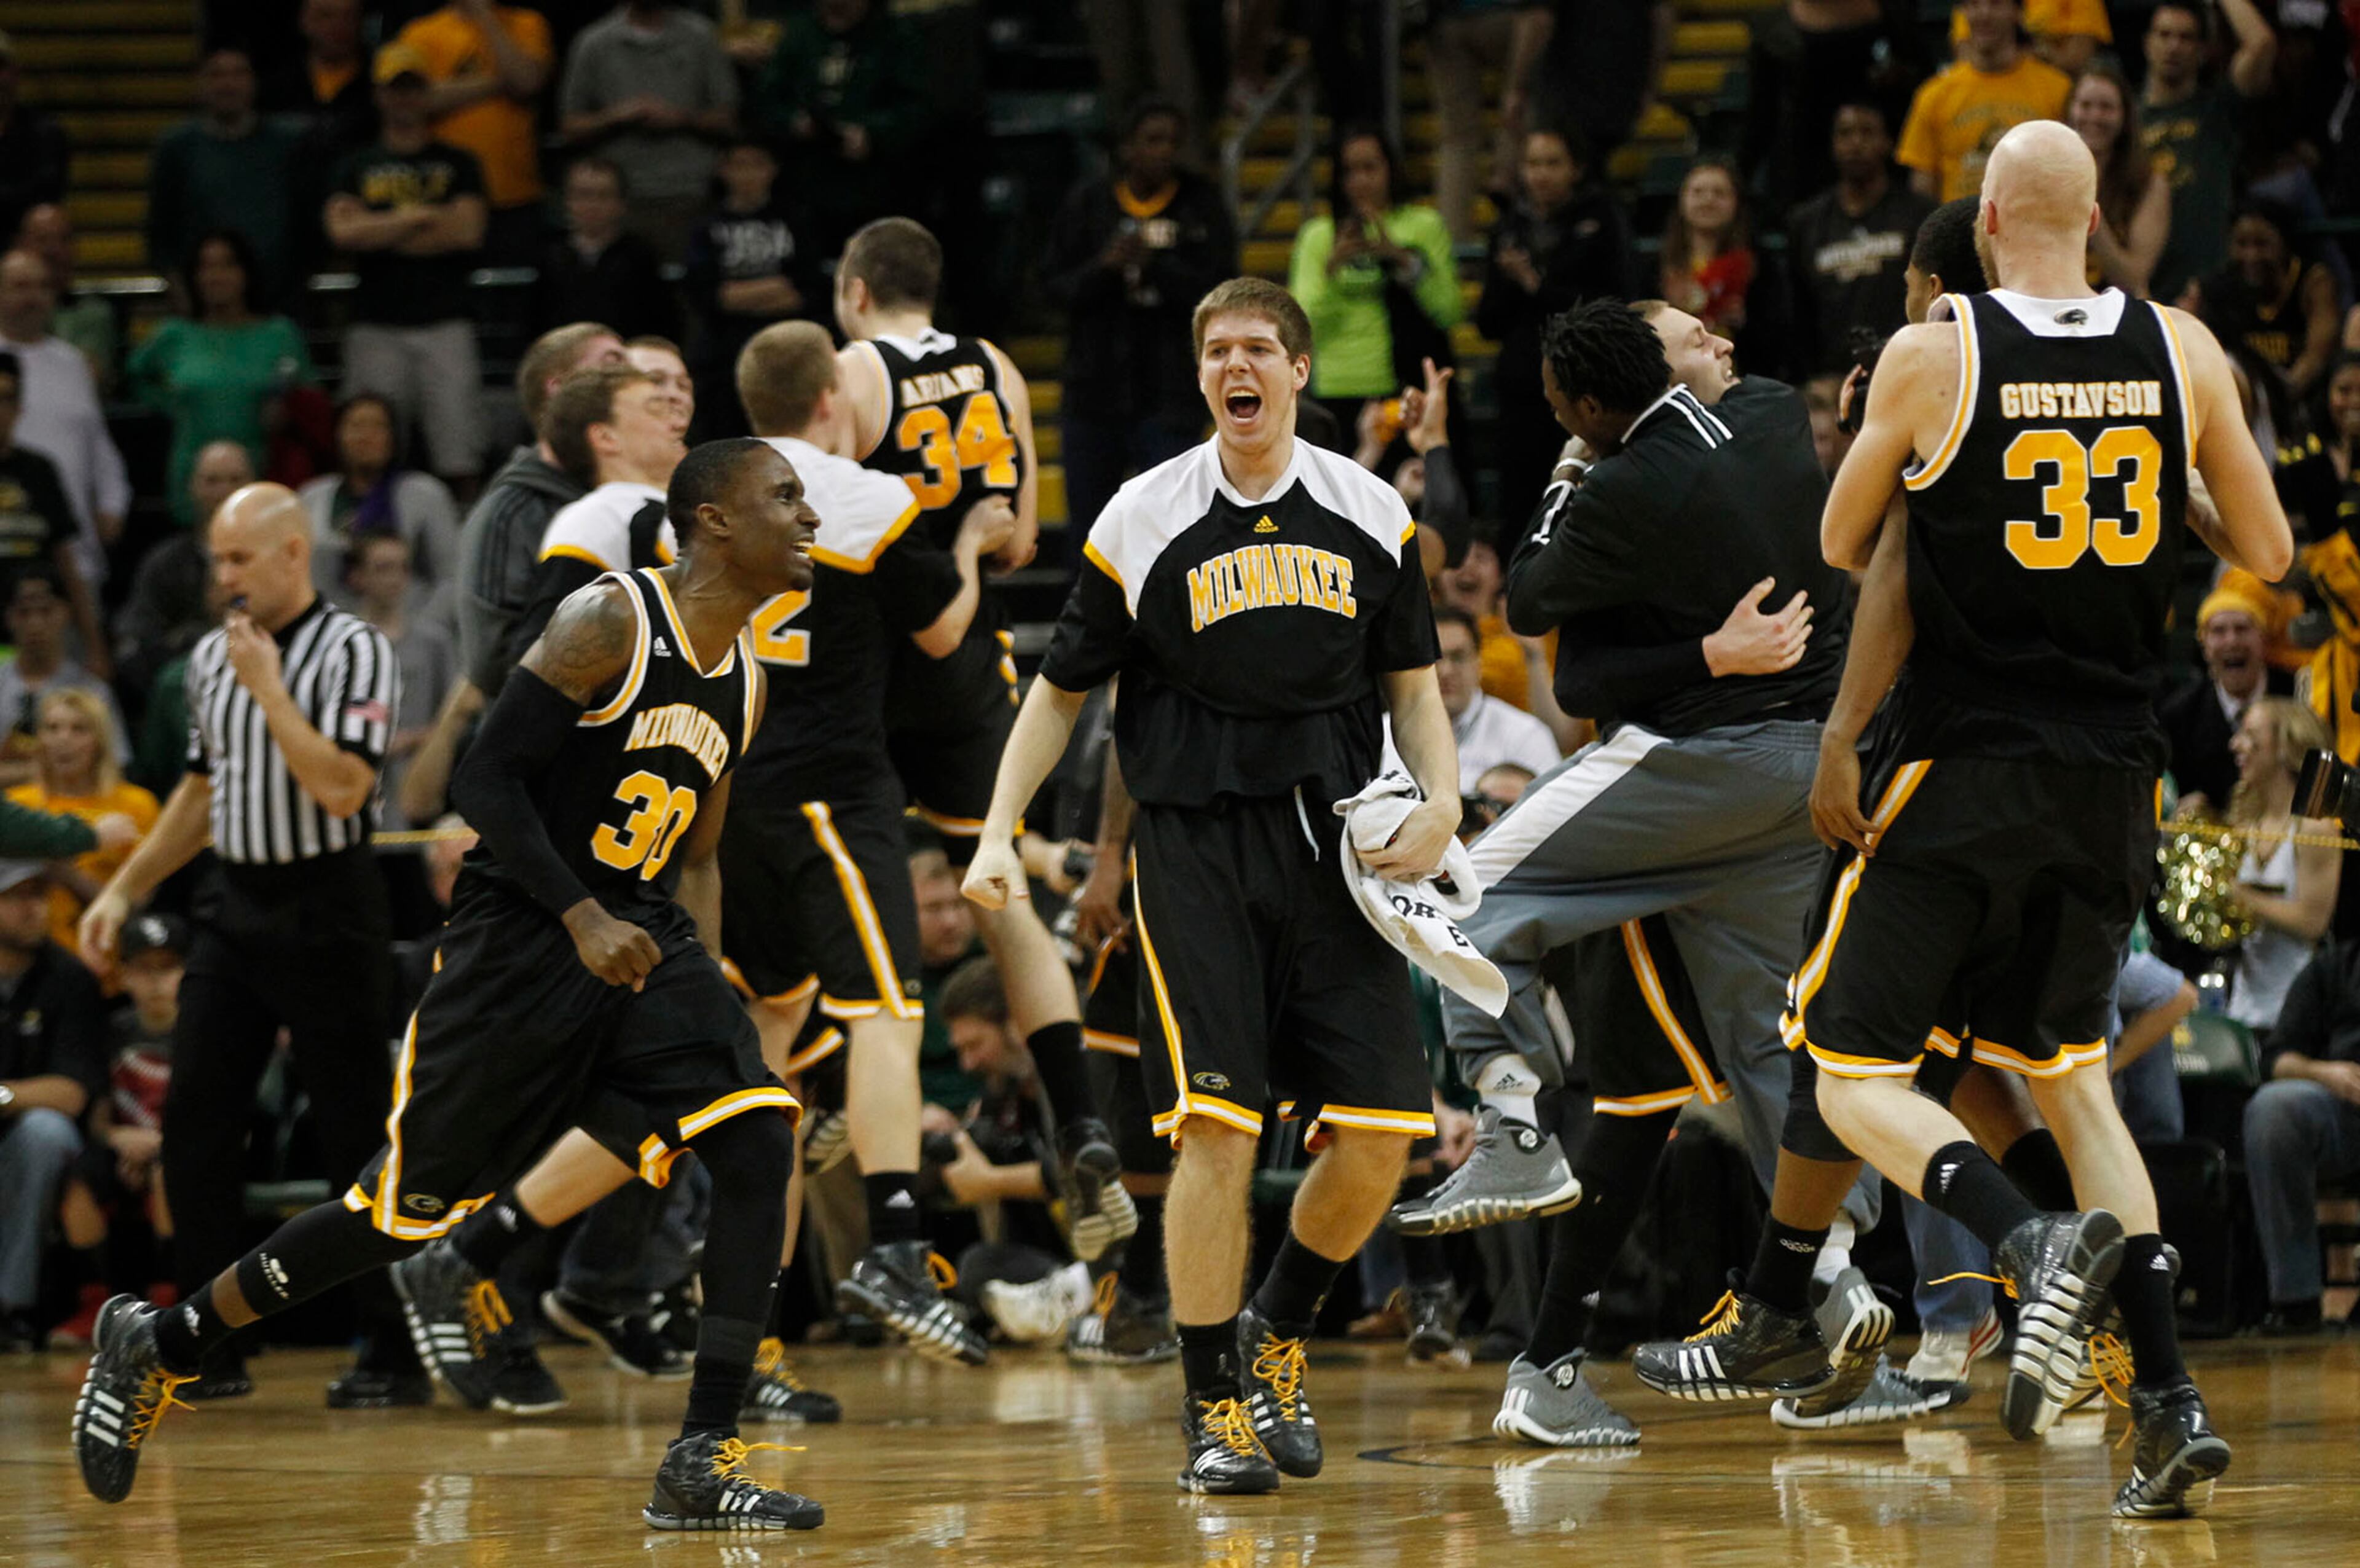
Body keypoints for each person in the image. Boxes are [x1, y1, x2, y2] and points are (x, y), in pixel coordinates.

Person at [71, 442, 827, 1532]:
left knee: (760, 1132)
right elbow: (483, 776)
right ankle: (166, 1340)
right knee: (397, 1212)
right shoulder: (611, 620)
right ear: (711, 520)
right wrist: (580, 913)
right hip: (518, 946)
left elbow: (698, 853)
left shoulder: (749, 675)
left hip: (642, 938)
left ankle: (701, 1458)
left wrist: (699, 978)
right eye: (785, 497)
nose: (808, 516)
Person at [1803, 119, 2289, 1515]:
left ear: (1985, 211)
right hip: (2106, 780)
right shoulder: (2180, 350)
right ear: (2091, 222)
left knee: (1846, 1069)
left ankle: (2024, 1247)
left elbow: (1844, 542)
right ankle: (2168, 1400)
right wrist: (2170, 493)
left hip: (1962, 766)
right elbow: (2262, 553)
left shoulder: (1932, 351)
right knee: (2070, 1081)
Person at [963, 276, 1454, 1495]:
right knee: (1218, 1131)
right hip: (1195, 847)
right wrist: (997, 828)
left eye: (1258, 349)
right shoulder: (1142, 514)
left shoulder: (1369, 509)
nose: (1237, 366)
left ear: (1296, 372)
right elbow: (1060, 691)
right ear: (1203, 381)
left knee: (1383, 1138)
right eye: (1217, 351)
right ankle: (1213, 1403)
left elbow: (1417, 691)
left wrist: (1441, 803)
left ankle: (1275, 1327)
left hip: (1339, 846)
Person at [1394, 300, 1883, 1439]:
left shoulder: (1617, 491)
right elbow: (1582, 674)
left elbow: (1533, 606)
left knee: (1464, 908)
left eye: (1720, 330)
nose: (1724, 342)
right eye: (1695, 334)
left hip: (1690, 779)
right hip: (1789, 786)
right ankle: (1838, 1280)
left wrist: (1574, 455)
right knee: (1765, 1046)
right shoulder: (1764, 418)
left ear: (1585, 412)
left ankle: (1511, 1124)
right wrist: (1705, 647)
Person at [73, 483, 412, 1406]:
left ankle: (389, 1346)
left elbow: (343, 788)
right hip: (238, 905)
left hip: (332, 904)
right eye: (216, 558)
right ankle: (205, 1347)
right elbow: (198, 792)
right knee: (195, 1124)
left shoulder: (356, 650)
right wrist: (123, 886)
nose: (222, 575)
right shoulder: (210, 659)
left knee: (356, 1135)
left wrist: (271, 691)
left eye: (238, 559)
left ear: (293, 554)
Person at [835, 218, 1124, 1248]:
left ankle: (850, 1122)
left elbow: (820, 522)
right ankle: (1081, 1119)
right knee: (992, 882)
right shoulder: (995, 364)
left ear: (856, 291)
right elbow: (1029, 534)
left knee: (865, 913)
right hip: (972, 664)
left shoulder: (853, 373)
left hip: (874, 659)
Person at [1042, 99, 1238, 554]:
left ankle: (1175, 624)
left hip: (1170, 395)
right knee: (1091, 534)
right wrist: (1106, 268)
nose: (1164, 151)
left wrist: (1159, 269)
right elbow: (1053, 288)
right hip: (1094, 392)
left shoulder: (1201, 205)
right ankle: (1092, 623)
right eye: (1152, 140)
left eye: (1172, 141)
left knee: (1174, 532)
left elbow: (1223, 293)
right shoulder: (1088, 203)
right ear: (1127, 147)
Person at [324, 45, 490, 498]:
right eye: (396, 90)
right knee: (371, 450)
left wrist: (381, 228)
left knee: (460, 452)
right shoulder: (354, 164)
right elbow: (344, 234)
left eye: (414, 89)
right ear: (379, 95)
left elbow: (467, 232)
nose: (405, 100)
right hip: (376, 323)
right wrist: (421, 216)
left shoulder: (459, 163)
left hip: (446, 321)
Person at [1477, 125, 1637, 536]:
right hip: (1521, 385)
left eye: (1553, 163)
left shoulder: (1603, 219)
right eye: (1533, 163)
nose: (1541, 174)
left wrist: (1536, 285)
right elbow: (1487, 321)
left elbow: (1615, 300)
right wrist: (1513, 284)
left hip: (1585, 384)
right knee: (1519, 498)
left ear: (1577, 168)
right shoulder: (1509, 227)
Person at [454, 321, 626, 697]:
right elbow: (490, 663)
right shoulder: (511, 511)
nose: (633, 381)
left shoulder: (638, 499)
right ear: (560, 389)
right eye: (613, 365)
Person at [127, 229, 315, 530]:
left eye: (227, 265)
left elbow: (310, 400)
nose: (217, 276)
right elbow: (134, 378)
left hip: (264, 471)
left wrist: (287, 414)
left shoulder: (280, 334)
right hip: (193, 472)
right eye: (207, 266)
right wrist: (173, 405)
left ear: (246, 273)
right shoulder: (174, 335)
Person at [57, 912, 185, 1339]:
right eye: (143, 970)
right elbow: (96, 1113)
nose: (155, 982)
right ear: (124, 975)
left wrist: (159, 1144)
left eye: (167, 968)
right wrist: (117, 1138)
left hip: (184, 1149)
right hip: (122, 1145)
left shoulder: (204, 1034)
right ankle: (95, 1303)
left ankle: (170, 1298)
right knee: (77, 1178)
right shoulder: (111, 1032)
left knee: (170, 1171)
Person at [1286, 127, 1462, 434]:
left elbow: (1449, 311)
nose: (1361, 181)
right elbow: (1300, 322)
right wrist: (1332, 269)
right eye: (1351, 171)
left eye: (1370, 168)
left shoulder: (1423, 226)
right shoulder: (1319, 235)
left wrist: (1402, 260)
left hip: (1409, 383)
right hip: (1339, 385)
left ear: (1391, 169)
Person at [0, 860, 106, 1350]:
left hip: (34, 1133)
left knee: (44, 1132)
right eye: (16, 898)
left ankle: (11, 1307)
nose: (32, 910)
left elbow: (70, 1093)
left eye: (38, 896)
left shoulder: (69, 978)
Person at [514, 365, 689, 649]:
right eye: (657, 410)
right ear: (606, 438)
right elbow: (547, 655)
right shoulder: (594, 518)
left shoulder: (681, 504)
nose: (679, 423)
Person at [557, 1, 739, 263]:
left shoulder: (701, 35)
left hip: (691, 192)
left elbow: (728, 117)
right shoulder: (594, 42)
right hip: (616, 199)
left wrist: (681, 118)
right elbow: (570, 125)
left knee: (687, 293)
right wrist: (616, 116)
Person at [2243, 935, 2360, 1332]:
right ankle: (2297, 1301)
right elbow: (2278, 1058)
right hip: (2341, 1109)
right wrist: (2326, 1074)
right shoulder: (2335, 967)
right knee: (2274, 1109)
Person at [0, 249, 128, 597]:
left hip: (75, 555)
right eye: (20, 287)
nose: (33, 297)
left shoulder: (73, 365)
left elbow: (99, 446)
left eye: (42, 287)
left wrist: (112, 503)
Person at [750, 0, 921, 260]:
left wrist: (872, 132)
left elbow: (916, 106)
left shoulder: (896, 35)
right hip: (806, 178)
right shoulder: (800, 33)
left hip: (875, 182)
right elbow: (767, 99)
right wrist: (793, 122)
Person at [388, 0, 556, 265]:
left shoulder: (528, 23)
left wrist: (485, 17)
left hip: (513, 194)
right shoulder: (422, 32)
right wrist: (499, 83)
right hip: (445, 198)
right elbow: (416, 100)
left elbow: (527, 81)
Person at [1785, 100, 1936, 380]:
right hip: (1830, 379)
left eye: (1867, 133)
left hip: (1908, 368)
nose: (1856, 143)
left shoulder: (1919, 214)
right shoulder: (1806, 222)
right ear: (1832, 144)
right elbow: (1798, 312)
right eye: (1845, 133)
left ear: (1888, 143)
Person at [2142, 0, 2279, 302]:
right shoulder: (2124, 116)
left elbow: (2262, 43)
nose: (2174, 46)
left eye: (2185, 37)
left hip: (2208, 290)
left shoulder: (2217, 110)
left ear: (2203, 50)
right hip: (2141, 288)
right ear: (2147, 43)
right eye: (2164, 35)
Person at [144, 48, 305, 305]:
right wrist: (183, 296)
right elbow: (159, 233)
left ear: (254, 81)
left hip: (281, 304)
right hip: (203, 312)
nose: (228, 84)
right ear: (200, 82)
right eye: (217, 75)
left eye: (238, 74)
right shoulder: (175, 148)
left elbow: (307, 225)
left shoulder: (289, 145)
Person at [682, 139, 819, 442]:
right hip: (724, 355)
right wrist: (775, 287)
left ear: (772, 170)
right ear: (724, 170)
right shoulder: (706, 225)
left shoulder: (795, 219)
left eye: (757, 164)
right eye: (739, 165)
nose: (748, 174)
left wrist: (740, 295)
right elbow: (710, 297)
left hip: (787, 350)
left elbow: (806, 291)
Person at [5, 689, 157, 954]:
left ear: (101, 740)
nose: (63, 739)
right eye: (52, 728)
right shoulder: (16, 805)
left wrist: (68, 875)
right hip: (25, 958)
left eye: (80, 729)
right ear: (39, 738)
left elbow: (138, 904)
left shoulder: (136, 806)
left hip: (109, 956)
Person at [2220, 698, 2340, 1033]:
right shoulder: (2245, 820)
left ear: (2286, 748)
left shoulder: (2315, 827)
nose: (2236, 745)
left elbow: (2313, 922)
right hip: (2242, 1005)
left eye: (2250, 735)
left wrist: (2238, 896)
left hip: (2298, 1011)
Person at [298, 393, 463, 622]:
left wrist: (420, 632)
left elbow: (452, 577)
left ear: (394, 437)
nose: (366, 437)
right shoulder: (312, 497)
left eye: (378, 427)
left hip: (411, 627)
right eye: (356, 426)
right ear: (338, 436)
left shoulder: (426, 495)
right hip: (331, 631)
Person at [1896, 0, 2072, 202]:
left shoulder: (2057, 89)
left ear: (2017, 12)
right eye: (1974, 4)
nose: (1984, 14)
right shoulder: (1934, 95)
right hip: (1960, 231)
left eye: (1996, 4)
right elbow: (1923, 192)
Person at [344, 534, 457, 834]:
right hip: (356, 805)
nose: (394, 579)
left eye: (402, 568)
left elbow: (455, 717)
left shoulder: (434, 643)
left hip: (421, 799)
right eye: (383, 568)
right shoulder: (341, 647)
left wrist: (412, 740)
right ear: (358, 577)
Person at [0, 351, 105, 667]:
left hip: (39, 636)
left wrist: (94, 645)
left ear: (19, 409)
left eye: (6, 398)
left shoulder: (40, 471)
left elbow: (66, 561)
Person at [2184, 200, 2342, 403]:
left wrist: (2276, 400)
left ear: (2284, 243)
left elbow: (2317, 356)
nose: (2251, 255)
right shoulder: (2217, 288)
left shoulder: (2313, 283)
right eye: (2242, 244)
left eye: (2262, 244)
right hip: (2243, 403)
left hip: (2301, 402)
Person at [2161, 573, 2290, 818]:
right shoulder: (2178, 715)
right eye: (2219, 631)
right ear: (2205, 647)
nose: (2231, 641)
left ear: (2263, 638)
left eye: (2242, 629)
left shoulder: (2297, 695)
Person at [1426, 1, 1554, 243]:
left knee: (1457, 140)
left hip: (1447, 20)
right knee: (1523, 101)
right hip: (1508, 15)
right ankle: (1505, 175)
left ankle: (1453, 244)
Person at [0, 570, 127, 788]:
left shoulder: (93, 691)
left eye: (46, 611)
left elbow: (114, 768)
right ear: (8, 617)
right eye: (24, 613)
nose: (35, 624)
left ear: (66, 613)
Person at [534, 159, 678, 342]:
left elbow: (661, 319)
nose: (593, 204)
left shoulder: (640, 256)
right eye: (584, 195)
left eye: (603, 196)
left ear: (621, 203)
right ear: (567, 201)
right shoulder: (549, 255)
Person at [2067, 68, 2169, 298]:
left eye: (2106, 108)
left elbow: (2134, 279)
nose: (2094, 116)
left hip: (2120, 313)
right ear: (2071, 110)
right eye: (2085, 105)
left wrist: (2085, 206)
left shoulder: (2149, 183)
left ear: (2125, 117)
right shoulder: (2048, 174)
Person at [1429, 605, 1558, 787]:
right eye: (1434, 659)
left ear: (1478, 662)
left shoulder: (1526, 735)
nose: (1445, 671)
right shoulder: (1386, 736)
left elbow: (1550, 811)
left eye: (1458, 657)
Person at [14, 205, 115, 393]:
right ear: (21, 245)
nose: (53, 251)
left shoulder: (94, 313)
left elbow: (89, 378)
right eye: (43, 240)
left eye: (63, 240)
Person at [1659, 159, 1758, 343]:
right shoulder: (1656, 267)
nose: (1708, 200)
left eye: (1719, 194)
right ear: (1682, 199)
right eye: (1697, 192)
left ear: (1737, 202)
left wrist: (1745, 321)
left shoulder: (1759, 267)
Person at [0, 32, 68, 251]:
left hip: (30, 254)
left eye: (1, 67)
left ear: (15, 72)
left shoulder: (45, 133)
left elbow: (45, 196)